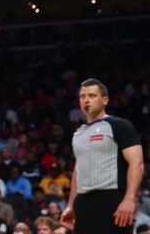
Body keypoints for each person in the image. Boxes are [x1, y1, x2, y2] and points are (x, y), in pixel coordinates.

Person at [61, 78, 144, 234]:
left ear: (105, 100)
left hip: (112, 199)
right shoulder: (78, 134)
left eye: (92, 96)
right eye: (83, 96)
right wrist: (71, 206)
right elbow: (78, 171)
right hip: (84, 204)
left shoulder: (120, 125)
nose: (86, 100)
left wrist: (129, 199)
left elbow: (137, 163)